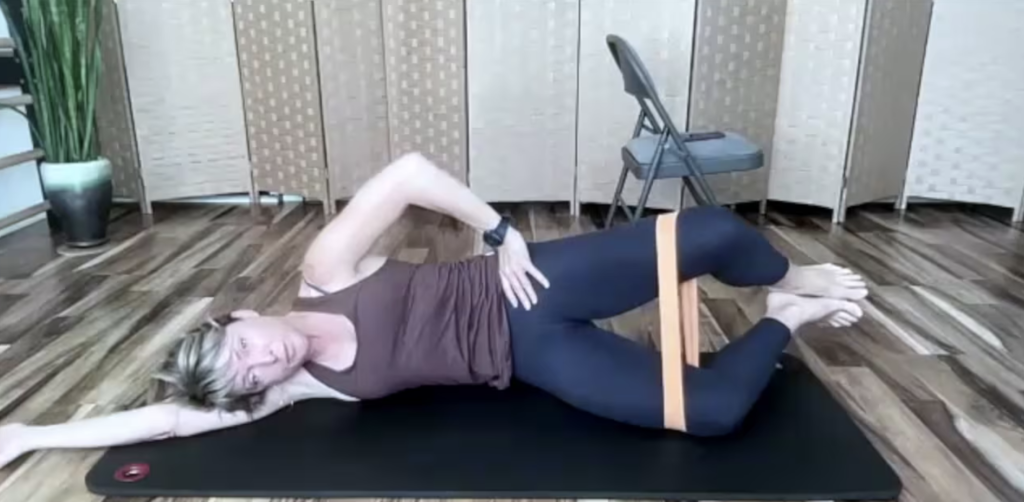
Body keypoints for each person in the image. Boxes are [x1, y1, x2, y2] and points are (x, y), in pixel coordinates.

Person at [0, 152, 867, 469]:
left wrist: (500, 235)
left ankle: (779, 270)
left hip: (523, 286)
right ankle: (785, 311)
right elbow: (162, 424)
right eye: (249, 382)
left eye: (246, 352)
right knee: (711, 413)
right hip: (530, 360)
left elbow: (408, 173)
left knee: (714, 230)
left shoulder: (322, 270)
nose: (264, 366)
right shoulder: (294, 389)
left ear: (234, 318)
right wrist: (30, 437)